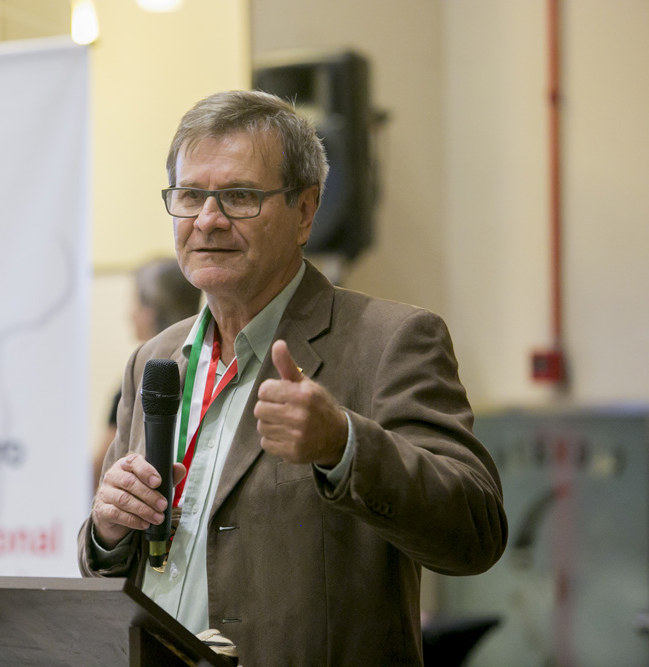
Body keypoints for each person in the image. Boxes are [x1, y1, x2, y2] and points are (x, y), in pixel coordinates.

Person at [78, 90, 508, 665]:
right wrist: (107, 532)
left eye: (239, 196)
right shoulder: (154, 359)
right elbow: (114, 569)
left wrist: (343, 444)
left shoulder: (390, 341)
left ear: (305, 212)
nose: (208, 220)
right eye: (190, 196)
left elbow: (476, 531)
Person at [94, 258, 201, 492]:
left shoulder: (141, 380)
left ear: (152, 310)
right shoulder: (205, 363)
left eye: (135, 303)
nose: (129, 315)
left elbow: (100, 467)